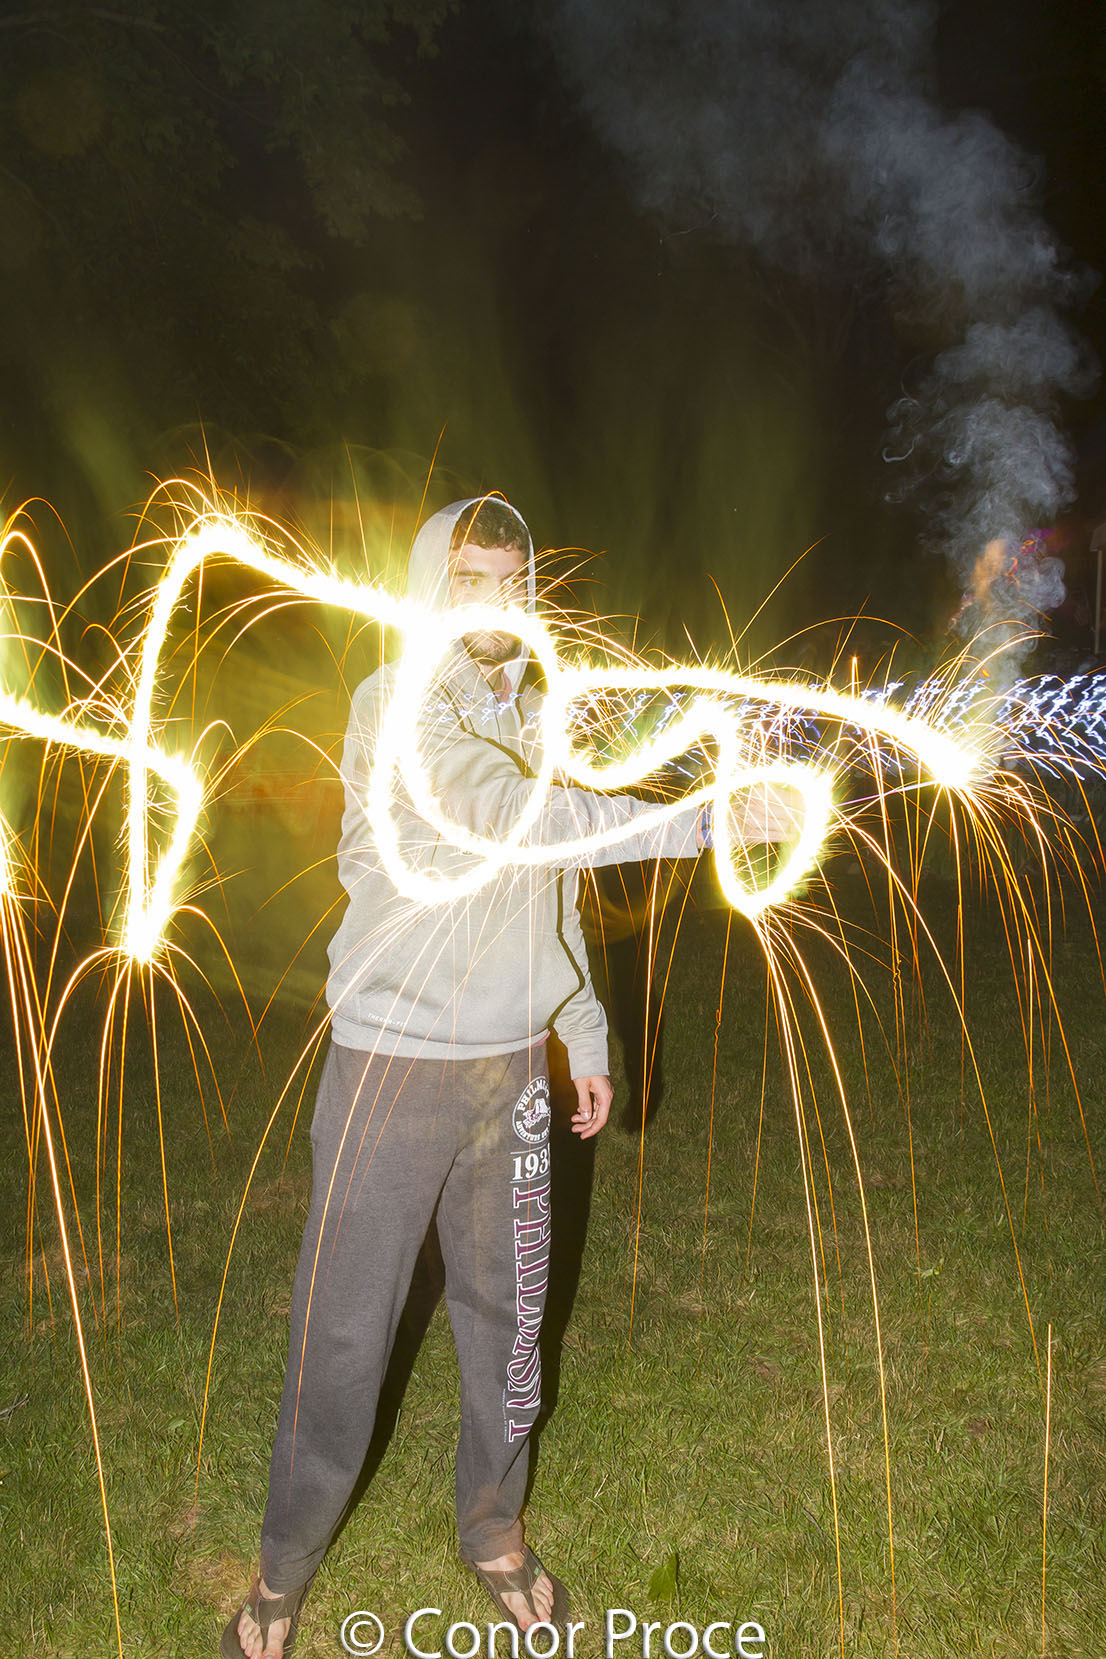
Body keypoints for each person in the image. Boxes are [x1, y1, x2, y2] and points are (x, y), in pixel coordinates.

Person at [223, 497, 794, 1658]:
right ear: (429, 588)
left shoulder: (533, 712)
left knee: (510, 1323)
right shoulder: (393, 706)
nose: (496, 602)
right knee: (344, 1335)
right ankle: (285, 1564)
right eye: (469, 579)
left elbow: (550, 890)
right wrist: (700, 821)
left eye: (512, 580)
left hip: (511, 1075)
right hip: (391, 1067)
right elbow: (510, 821)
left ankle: (490, 1524)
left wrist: (579, 1030)